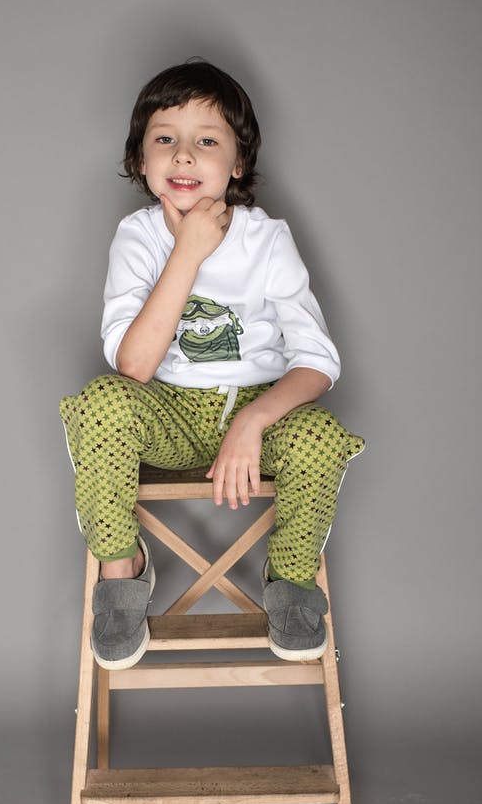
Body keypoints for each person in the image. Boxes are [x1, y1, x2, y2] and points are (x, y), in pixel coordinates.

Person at [60, 60, 364, 670]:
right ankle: (122, 571)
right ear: (142, 161)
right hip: (167, 413)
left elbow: (318, 361)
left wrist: (254, 421)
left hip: (261, 411)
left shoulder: (266, 239)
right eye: (164, 139)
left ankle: (293, 577)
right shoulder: (138, 237)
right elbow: (135, 366)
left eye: (207, 140)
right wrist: (189, 251)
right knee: (98, 404)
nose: (183, 156)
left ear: (237, 163)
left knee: (321, 438)